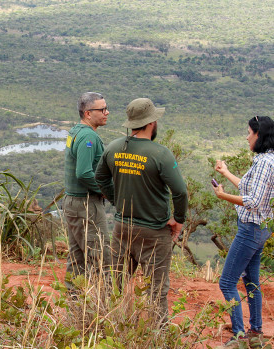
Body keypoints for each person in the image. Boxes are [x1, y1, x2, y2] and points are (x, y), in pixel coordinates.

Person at [95, 98, 188, 321]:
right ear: (151, 123)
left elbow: (100, 177)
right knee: (156, 291)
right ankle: (158, 338)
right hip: (154, 232)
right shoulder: (161, 154)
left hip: (122, 227)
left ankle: (108, 328)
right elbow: (181, 192)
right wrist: (178, 219)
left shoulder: (114, 147)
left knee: (114, 283)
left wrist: (118, 201)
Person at [212, 116, 274, 349]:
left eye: (249, 132)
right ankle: (256, 332)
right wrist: (226, 173)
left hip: (249, 230)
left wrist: (222, 196)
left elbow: (253, 201)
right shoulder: (270, 160)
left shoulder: (263, 163)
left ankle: (238, 336)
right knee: (251, 281)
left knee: (227, 282)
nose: (247, 136)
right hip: (262, 229)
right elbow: (251, 189)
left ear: (259, 134)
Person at [63, 92, 111, 289]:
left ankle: (75, 306)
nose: (107, 113)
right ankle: (102, 306)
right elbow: (83, 172)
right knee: (100, 257)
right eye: (102, 109)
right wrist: (107, 191)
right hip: (86, 205)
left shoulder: (75, 132)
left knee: (77, 258)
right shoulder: (88, 137)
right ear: (88, 113)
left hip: (72, 202)